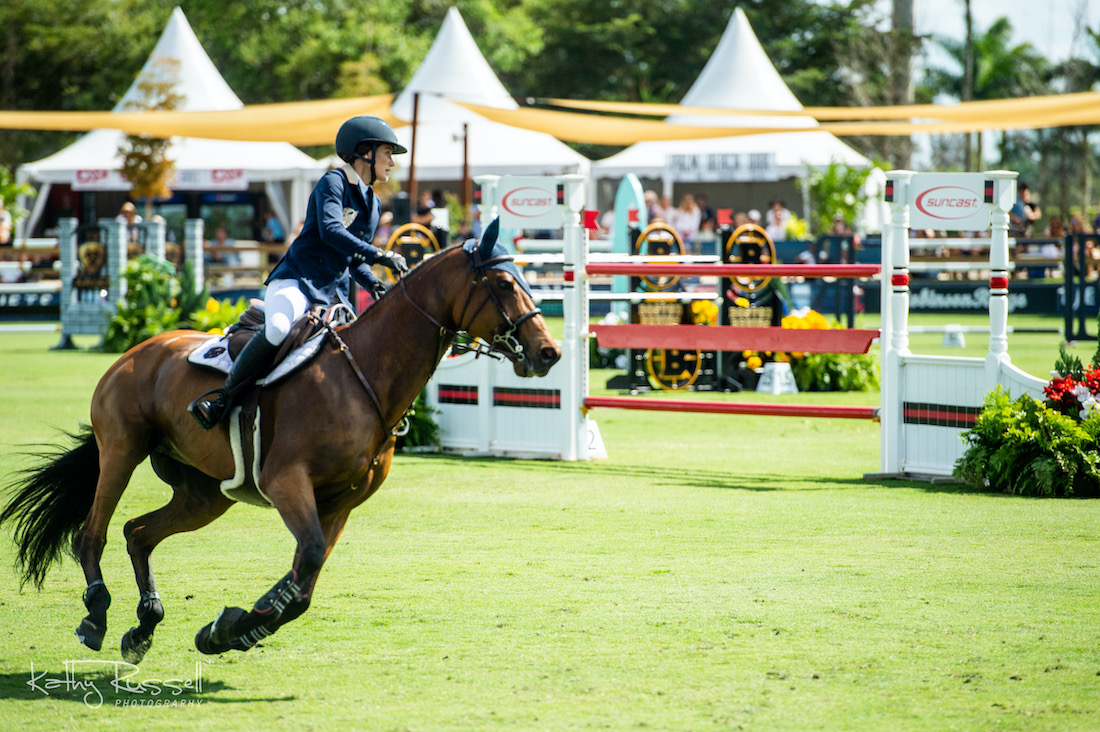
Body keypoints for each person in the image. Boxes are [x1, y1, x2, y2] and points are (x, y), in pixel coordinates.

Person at [188, 116, 410, 430]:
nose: (392, 162)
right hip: (297, 281)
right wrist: (381, 254)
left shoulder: (373, 204)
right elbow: (332, 231)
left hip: (333, 296)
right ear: (365, 152)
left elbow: (353, 256)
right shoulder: (332, 183)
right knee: (278, 327)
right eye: (388, 152)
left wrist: (374, 282)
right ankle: (223, 398)